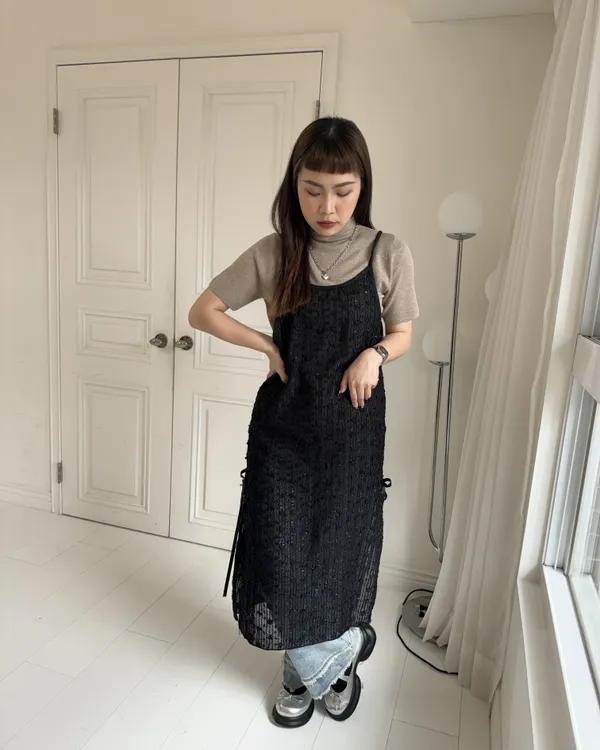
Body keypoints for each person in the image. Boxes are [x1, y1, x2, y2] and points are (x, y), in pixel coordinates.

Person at [188, 117, 418, 728]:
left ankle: (307, 669)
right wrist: (266, 345)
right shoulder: (274, 252)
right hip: (283, 432)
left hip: (353, 435)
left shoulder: (387, 252)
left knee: (339, 552)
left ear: (362, 185)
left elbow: (403, 333)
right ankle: (331, 661)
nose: (327, 206)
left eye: (343, 190)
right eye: (312, 189)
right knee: (282, 553)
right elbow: (203, 311)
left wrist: (375, 354)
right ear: (294, 185)